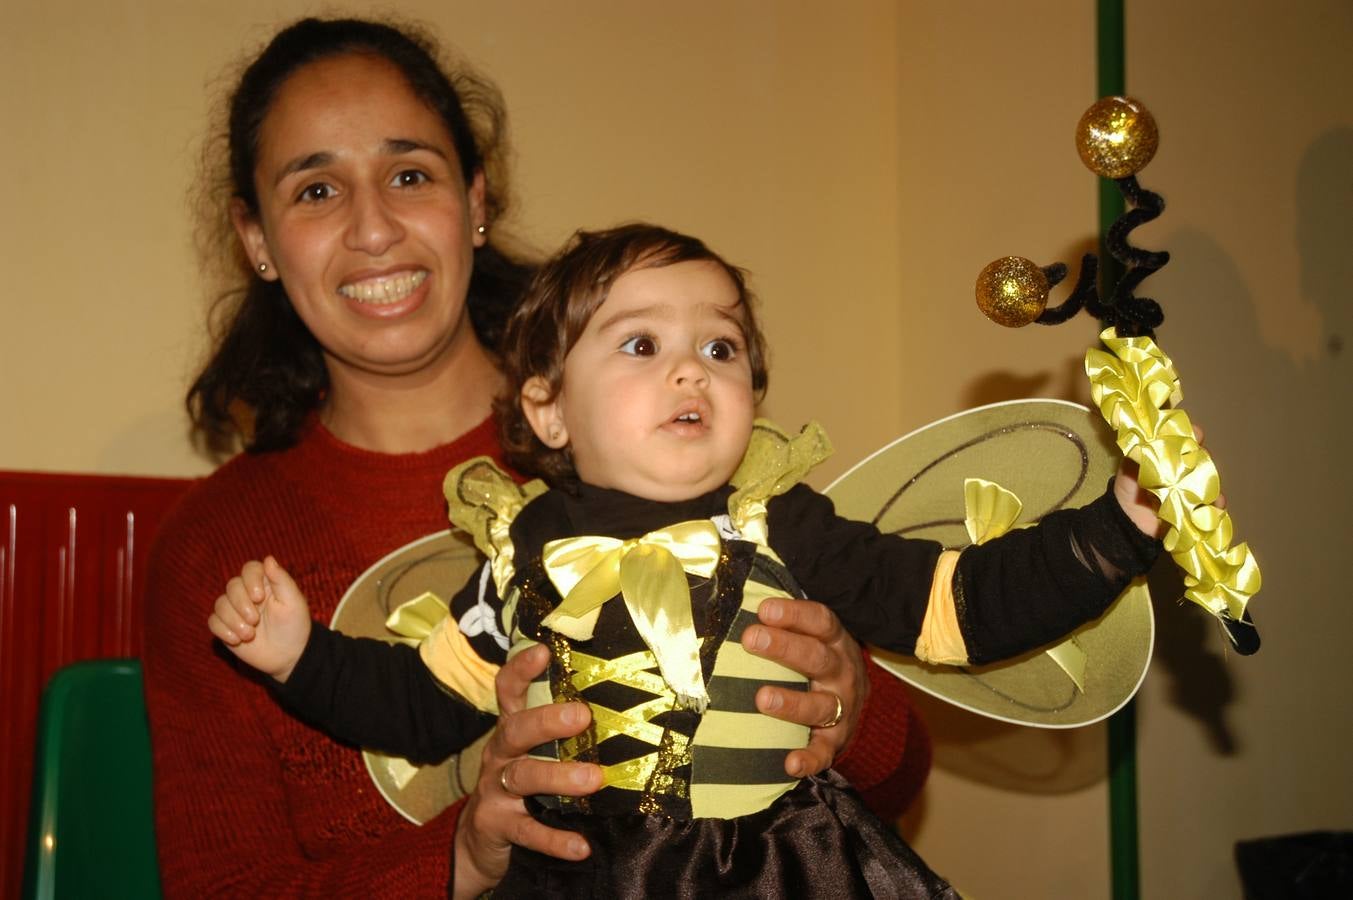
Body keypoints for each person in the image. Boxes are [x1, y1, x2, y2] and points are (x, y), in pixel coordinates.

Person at [143, 18, 929, 899]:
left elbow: (892, 785)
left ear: (477, 202)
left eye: (409, 175)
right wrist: (460, 858)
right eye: (316, 191)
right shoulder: (213, 546)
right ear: (256, 239)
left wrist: (846, 706)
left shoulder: (663, 429)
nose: (372, 229)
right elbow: (225, 883)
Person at [209, 224, 1168, 897]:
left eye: (721, 345)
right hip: (582, 879)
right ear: (547, 408)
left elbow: (959, 607)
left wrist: (1112, 530)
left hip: (789, 871)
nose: (689, 370)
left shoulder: (784, 524)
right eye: (639, 343)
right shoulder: (523, 550)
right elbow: (415, 708)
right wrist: (299, 655)